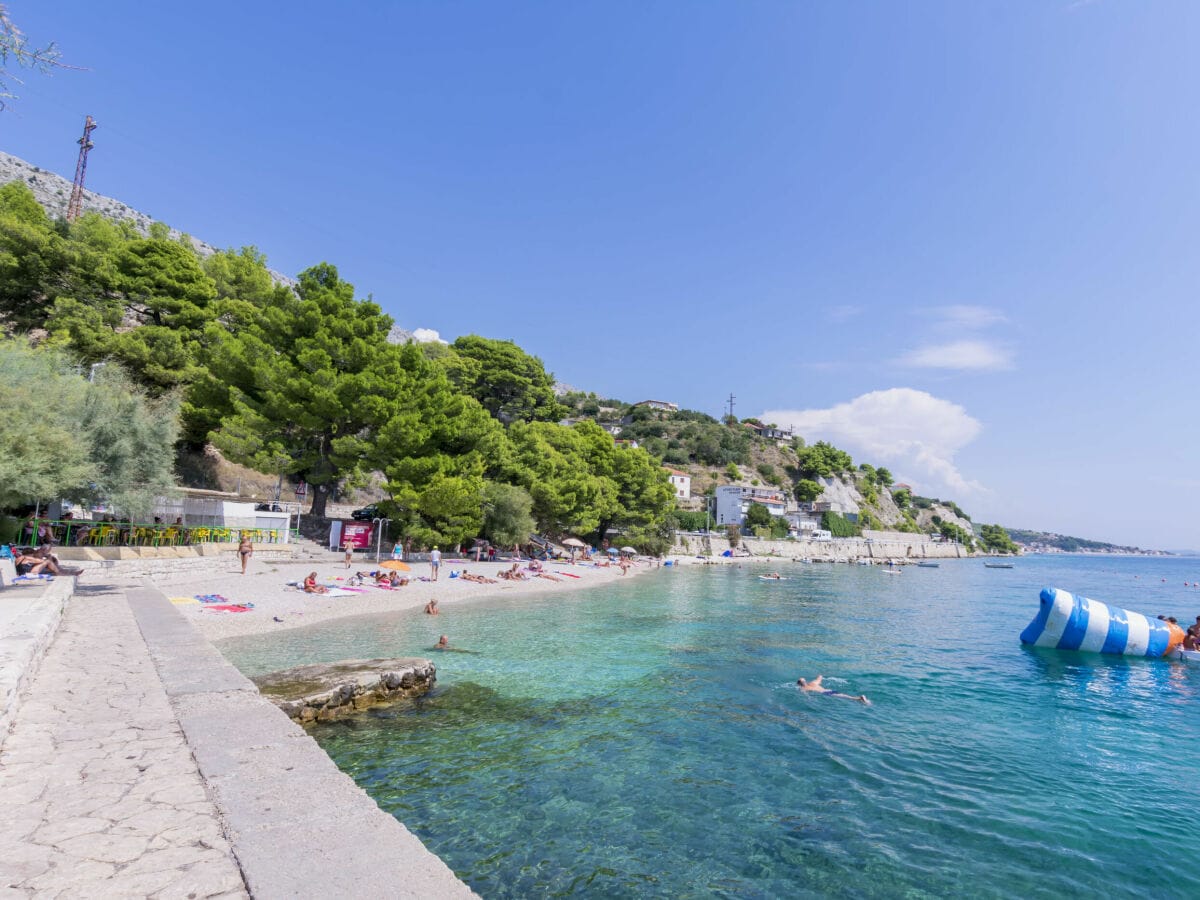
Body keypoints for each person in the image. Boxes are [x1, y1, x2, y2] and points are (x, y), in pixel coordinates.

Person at [797, 675, 869, 705]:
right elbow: (819, 678)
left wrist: (810, 699)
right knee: (844, 695)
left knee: (847, 697)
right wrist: (820, 675)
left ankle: (860, 698)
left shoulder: (803, 688)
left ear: (799, 684)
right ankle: (859, 699)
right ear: (805, 681)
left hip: (826, 693)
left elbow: (806, 696)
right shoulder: (813, 683)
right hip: (829, 690)